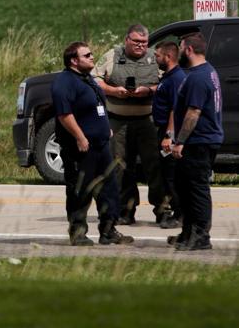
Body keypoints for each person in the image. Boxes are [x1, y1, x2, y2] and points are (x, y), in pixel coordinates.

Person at [52, 41, 134, 246]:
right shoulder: (64, 82)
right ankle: (78, 232)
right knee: (80, 190)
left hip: (101, 145)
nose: (91, 57)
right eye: (86, 55)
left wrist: (105, 127)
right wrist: (80, 137)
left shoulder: (87, 79)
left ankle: (108, 231)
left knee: (109, 189)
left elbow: (96, 106)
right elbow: (64, 114)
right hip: (81, 148)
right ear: (73, 60)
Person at [92, 23, 166, 225]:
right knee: (121, 167)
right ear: (126, 40)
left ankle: (163, 210)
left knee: (154, 166)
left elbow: (168, 81)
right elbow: (95, 79)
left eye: (144, 42)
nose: (140, 45)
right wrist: (114, 91)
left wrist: (148, 90)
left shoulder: (154, 57)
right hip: (118, 121)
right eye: (136, 41)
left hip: (147, 121)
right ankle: (126, 210)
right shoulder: (112, 56)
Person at [170, 32, 223, 251]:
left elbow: (193, 113)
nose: (179, 52)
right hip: (201, 139)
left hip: (198, 141)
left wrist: (180, 140)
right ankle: (187, 233)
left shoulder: (198, 77)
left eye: (181, 48)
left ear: (189, 50)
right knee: (185, 188)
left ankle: (201, 236)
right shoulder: (206, 71)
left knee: (196, 189)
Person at [152, 41, 187, 229]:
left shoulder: (176, 78)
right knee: (166, 175)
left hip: (169, 132)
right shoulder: (168, 76)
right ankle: (176, 211)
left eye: (158, 55)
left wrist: (169, 136)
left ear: (168, 57)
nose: (155, 59)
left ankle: (180, 214)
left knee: (172, 176)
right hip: (162, 130)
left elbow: (176, 109)